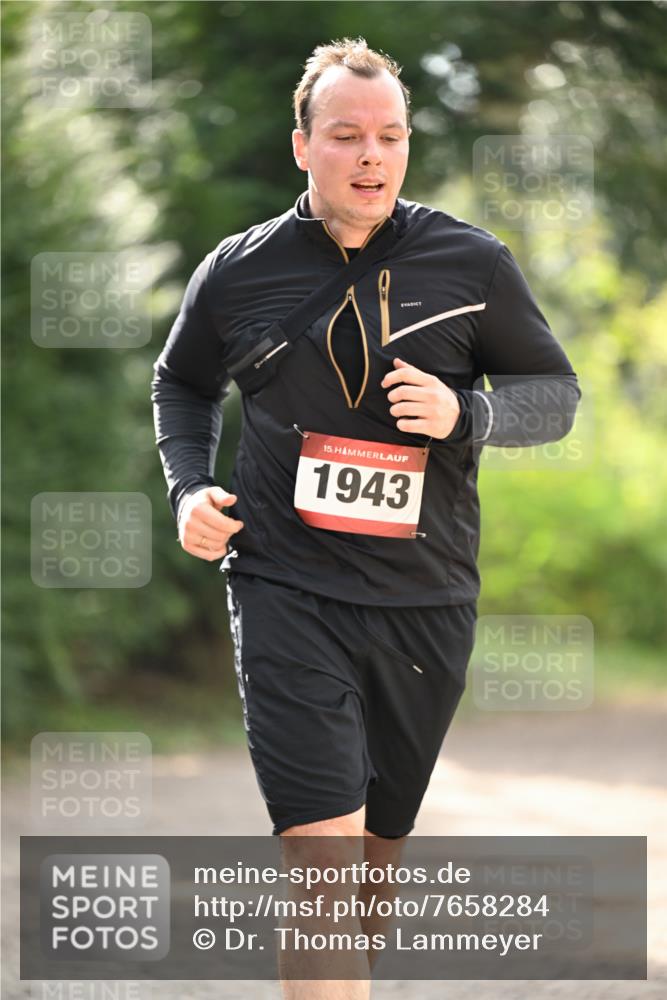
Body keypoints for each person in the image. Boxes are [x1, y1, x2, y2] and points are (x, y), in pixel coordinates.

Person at [151, 37, 581, 997]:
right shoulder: (238, 269)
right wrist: (188, 487)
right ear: (302, 145)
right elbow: (181, 383)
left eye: (389, 135)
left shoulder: (470, 263)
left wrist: (465, 414)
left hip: (422, 602)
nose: (371, 155)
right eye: (346, 135)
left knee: (370, 873)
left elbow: (554, 393)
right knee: (323, 875)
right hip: (283, 587)